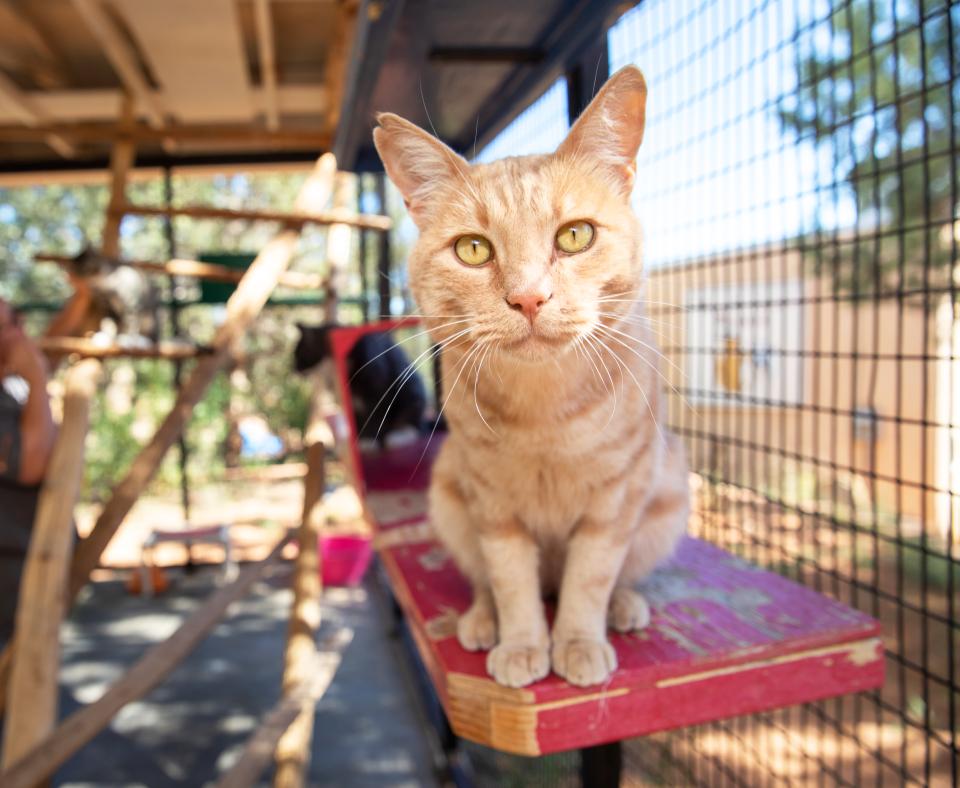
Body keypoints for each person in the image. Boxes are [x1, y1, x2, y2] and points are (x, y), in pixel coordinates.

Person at [0, 298, 57, 645]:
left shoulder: (9, 385)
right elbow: (28, 465)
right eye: (11, 325)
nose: (22, 334)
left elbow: (55, 345)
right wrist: (37, 376)